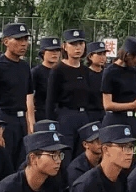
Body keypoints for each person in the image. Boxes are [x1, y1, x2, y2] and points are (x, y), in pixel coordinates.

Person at [0, 22, 35, 164]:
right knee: (3, 163)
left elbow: (28, 97)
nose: (23, 44)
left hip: (21, 122)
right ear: (6, 41)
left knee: (21, 163)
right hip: (4, 121)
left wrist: (30, 125)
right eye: (18, 39)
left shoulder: (25, 67)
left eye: (25, 40)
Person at [45, 28, 92, 159]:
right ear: (65, 47)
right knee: (65, 156)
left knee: (83, 157)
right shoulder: (58, 70)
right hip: (65, 117)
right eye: (73, 44)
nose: (78, 48)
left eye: (81, 44)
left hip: (84, 118)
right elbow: (50, 101)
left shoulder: (85, 71)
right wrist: (51, 125)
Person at [100, 37, 136, 138]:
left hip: (131, 121)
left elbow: (133, 98)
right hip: (115, 121)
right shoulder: (110, 72)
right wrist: (132, 106)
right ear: (129, 55)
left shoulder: (134, 72)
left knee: (131, 152)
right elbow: (107, 105)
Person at [65, 121, 103, 191]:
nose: (100, 143)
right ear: (85, 144)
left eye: (101, 138)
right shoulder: (76, 169)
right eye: (96, 140)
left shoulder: (106, 160)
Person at [31, 36, 62, 120]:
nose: (55, 53)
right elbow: (30, 98)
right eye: (51, 50)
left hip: (60, 116)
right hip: (42, 116)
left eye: (57, 50)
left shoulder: (63, 71)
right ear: (43, 53)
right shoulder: (36, 72)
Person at [84, 40, 108, 126]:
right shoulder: (84, 74)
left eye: (104, 54)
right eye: (99, 54)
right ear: (90, 56)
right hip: (89, 115)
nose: (103, 57)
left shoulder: (107, 74)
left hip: (104, 114)